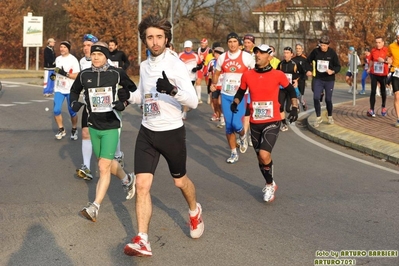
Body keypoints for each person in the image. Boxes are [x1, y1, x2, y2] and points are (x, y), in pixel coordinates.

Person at [122, 15, 204, 257]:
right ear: (144, 40)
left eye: (159, 37)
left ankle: (193, 210)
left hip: (171, 133)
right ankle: (143, 239)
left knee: (180, 181)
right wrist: (127, 99)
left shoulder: (177, 65)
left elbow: (193, 101)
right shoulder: (145, 65)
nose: (155, 42)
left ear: (166, 39)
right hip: (147, 132)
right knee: (142, 185)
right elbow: (142, 94)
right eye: (150, 37)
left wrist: (173, 90)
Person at [69, 42, 137, 222]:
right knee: (104, 162)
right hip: (93, 124)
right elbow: (74, 91)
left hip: (111, 125)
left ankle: (95, 206)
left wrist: (124, 103)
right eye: (94, 54)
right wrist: (73, 103)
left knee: (102, 168)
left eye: (100, 54)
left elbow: (132, 90)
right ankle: (127, 179)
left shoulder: (116, 73)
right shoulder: (85, 75)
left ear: (106, 56)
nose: (96, 57)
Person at [231, 44, 298, 202]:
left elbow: (290, 90)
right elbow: (241, 91)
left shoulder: (278, 74)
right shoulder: (248, 75)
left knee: (264, 154)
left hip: (272, 120)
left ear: (270, 56)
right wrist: (235, 102)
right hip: (255, 122)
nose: (257, 55)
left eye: (261, 53)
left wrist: (294, 107)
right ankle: (270, 182)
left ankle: (269, 185)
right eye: (256, 53)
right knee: (260, 158)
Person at [210, 32, 255, 163]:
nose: (232, 44)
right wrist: (213, 83)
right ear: (227, 43)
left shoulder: (246, 57)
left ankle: (242, 136)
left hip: (241, 95)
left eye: (235, 41)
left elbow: (254, 73)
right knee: (229, 126)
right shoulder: (222, 57)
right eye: (230, 42)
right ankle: (233, 153)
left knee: (236, 123)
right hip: (226, 94)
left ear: (239, 44)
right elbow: (217, 73)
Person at [76, 33, 99, 180]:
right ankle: (87, 167)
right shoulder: (82, 61)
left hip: (103, 105)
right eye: (84, 45)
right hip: (88, 103)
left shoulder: (104, 60)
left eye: (89, 46)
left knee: (103, 136)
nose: (85, 48)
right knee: (85, 133)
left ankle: (116, 156)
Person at [306, 35, 341, 127]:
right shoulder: (315, 52)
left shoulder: (332, 53)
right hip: (318, 78)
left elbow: (338, 66)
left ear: (328, 45)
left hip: (329, 80)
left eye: (324, 46)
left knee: (328, 99)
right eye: (321, 45)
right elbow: (307, 61)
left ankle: (329, 116)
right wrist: (308, 70)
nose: (323, 47)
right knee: (316, 97)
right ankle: (318, 118)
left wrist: (332, 71)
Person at [51, 41, 80, 140]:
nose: (62, 49)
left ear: (68, 48)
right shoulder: (58, 59)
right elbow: (56, 71)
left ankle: (74, 129)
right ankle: (61, 129)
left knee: (72, 111)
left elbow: (77, 76)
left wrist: (65, 73)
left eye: (64, 47)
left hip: (70, 89)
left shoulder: (73, 60)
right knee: (56, 110)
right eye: (61, 47)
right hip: (59, 88)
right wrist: (53, 76)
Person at [277, 46, 304, 131]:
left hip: (290, 89)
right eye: (284, 53)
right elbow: (276, 75)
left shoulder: (295, 64)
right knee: (279, 106)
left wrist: (296, 80)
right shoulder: (281, 64)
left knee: (288, 109)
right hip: (282, 88)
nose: (285, 55)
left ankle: (296, 106)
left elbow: (302, 74)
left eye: (287, 53)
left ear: (292, 54)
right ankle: (284, 124)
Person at [367, 36, 390, 118]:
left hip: (383, 74)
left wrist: (383, 61)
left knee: (383, 91)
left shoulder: (387, 50)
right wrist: (369, 68)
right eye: (376, 42)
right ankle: (371, 109)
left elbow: (390, 61)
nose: (378, 44)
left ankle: (383, 107)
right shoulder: (373, 50)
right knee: (373, 91)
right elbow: (371, 60)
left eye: (379, 42)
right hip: (374, 73)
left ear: (383, 43)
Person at [178, 40, 202, 120]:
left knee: (186, 93)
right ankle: (188, 104)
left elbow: (200, 65)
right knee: (182, 93)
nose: (188, 49)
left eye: (189, 47)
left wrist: (196, 68)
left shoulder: (195, 56)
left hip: (191, 78)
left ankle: (184, 112)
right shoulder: (180, 55)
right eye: (186, 47)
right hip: (182, 77)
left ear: (192, 47)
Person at [242, 34, 256, 146]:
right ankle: (244, 136)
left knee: (253, 113)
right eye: (245, 42)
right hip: (243, 87)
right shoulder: (240, 54)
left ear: (253, 44)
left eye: (249, 43)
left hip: (254, 87)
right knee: (245, 113)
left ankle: (252, 134)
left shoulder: (256, 54)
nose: (247, 44)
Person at [207, 46, 224, 123]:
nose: (217, 54)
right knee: (214, 102)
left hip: (223, 85)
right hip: (215, 85)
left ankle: (223, 117)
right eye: (216, 53)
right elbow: (210, 74)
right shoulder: (212, 62)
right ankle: (218, 115)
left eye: (219, 53)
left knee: (220, 102)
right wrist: (210, 85)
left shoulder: (225, 62)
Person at [293, 43, 311, 111]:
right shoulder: (293, 58)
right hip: (295, 79)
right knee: (295, 94)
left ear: (302, 50)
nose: (298, 50)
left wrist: (308, 71)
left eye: (299, 49)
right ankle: (297, 107)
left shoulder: (305, 59)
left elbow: (308, 68)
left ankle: (303, 103)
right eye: (297, 48)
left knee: (301, 95)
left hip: (302, 79)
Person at [387, 30, 399, 127]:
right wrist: (389, 60)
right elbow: (388, 56)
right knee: (397, 96)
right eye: (398, 37)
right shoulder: (391, 46)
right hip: (395, 72)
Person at [195, 38, 211, 103]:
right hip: (200, 67)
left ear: (206, 44)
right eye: (201, 43)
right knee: (198, 81)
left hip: (206, 67)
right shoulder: (198, 50)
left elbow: (211, 59)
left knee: (208, 83)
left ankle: (209, 96)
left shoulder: (209, 50)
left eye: (204, 43)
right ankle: (199, 98)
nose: (202, 44)